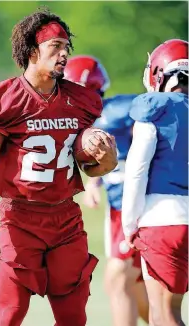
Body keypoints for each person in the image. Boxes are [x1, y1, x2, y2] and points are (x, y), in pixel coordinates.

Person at [0, 8, 118, 326]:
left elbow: (89, 169)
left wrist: (106, 160)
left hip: (66, 219)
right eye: (55, 46)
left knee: (74, 316)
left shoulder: (81, 100)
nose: (64, 53)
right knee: (10, 312)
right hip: (20, 219)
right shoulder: (3, 101)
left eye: (67, 47)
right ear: (33, 51)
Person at [64, 55, 149, 326]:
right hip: (118, 209)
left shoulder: (118, 110)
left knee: (117, 276)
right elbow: (104, 161)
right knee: (134, 283)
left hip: (142, 205)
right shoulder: (74, 125)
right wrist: (93, 183)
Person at [122, 39, 188, 326]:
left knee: (163, 315)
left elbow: (136, 171)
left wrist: (129, 225)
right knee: (171, 309)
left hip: (162, 219)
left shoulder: (155, 108)